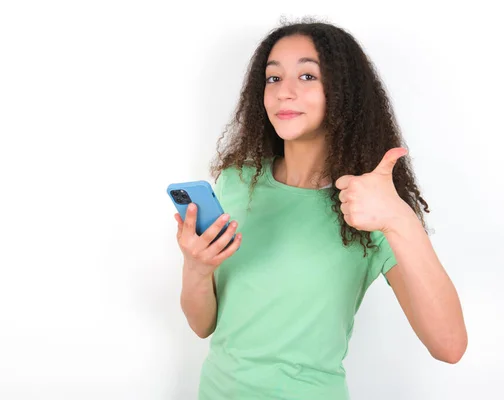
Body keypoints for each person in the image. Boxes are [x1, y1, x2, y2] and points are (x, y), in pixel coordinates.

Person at [174, 19, 468, 400]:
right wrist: (196, 267)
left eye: (308, 76)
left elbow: (449, 346)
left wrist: (399, 218)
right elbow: (204, 325)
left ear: (344, 91)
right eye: (274, 78)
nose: (285, 93)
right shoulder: (235, 182)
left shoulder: (372, 208)